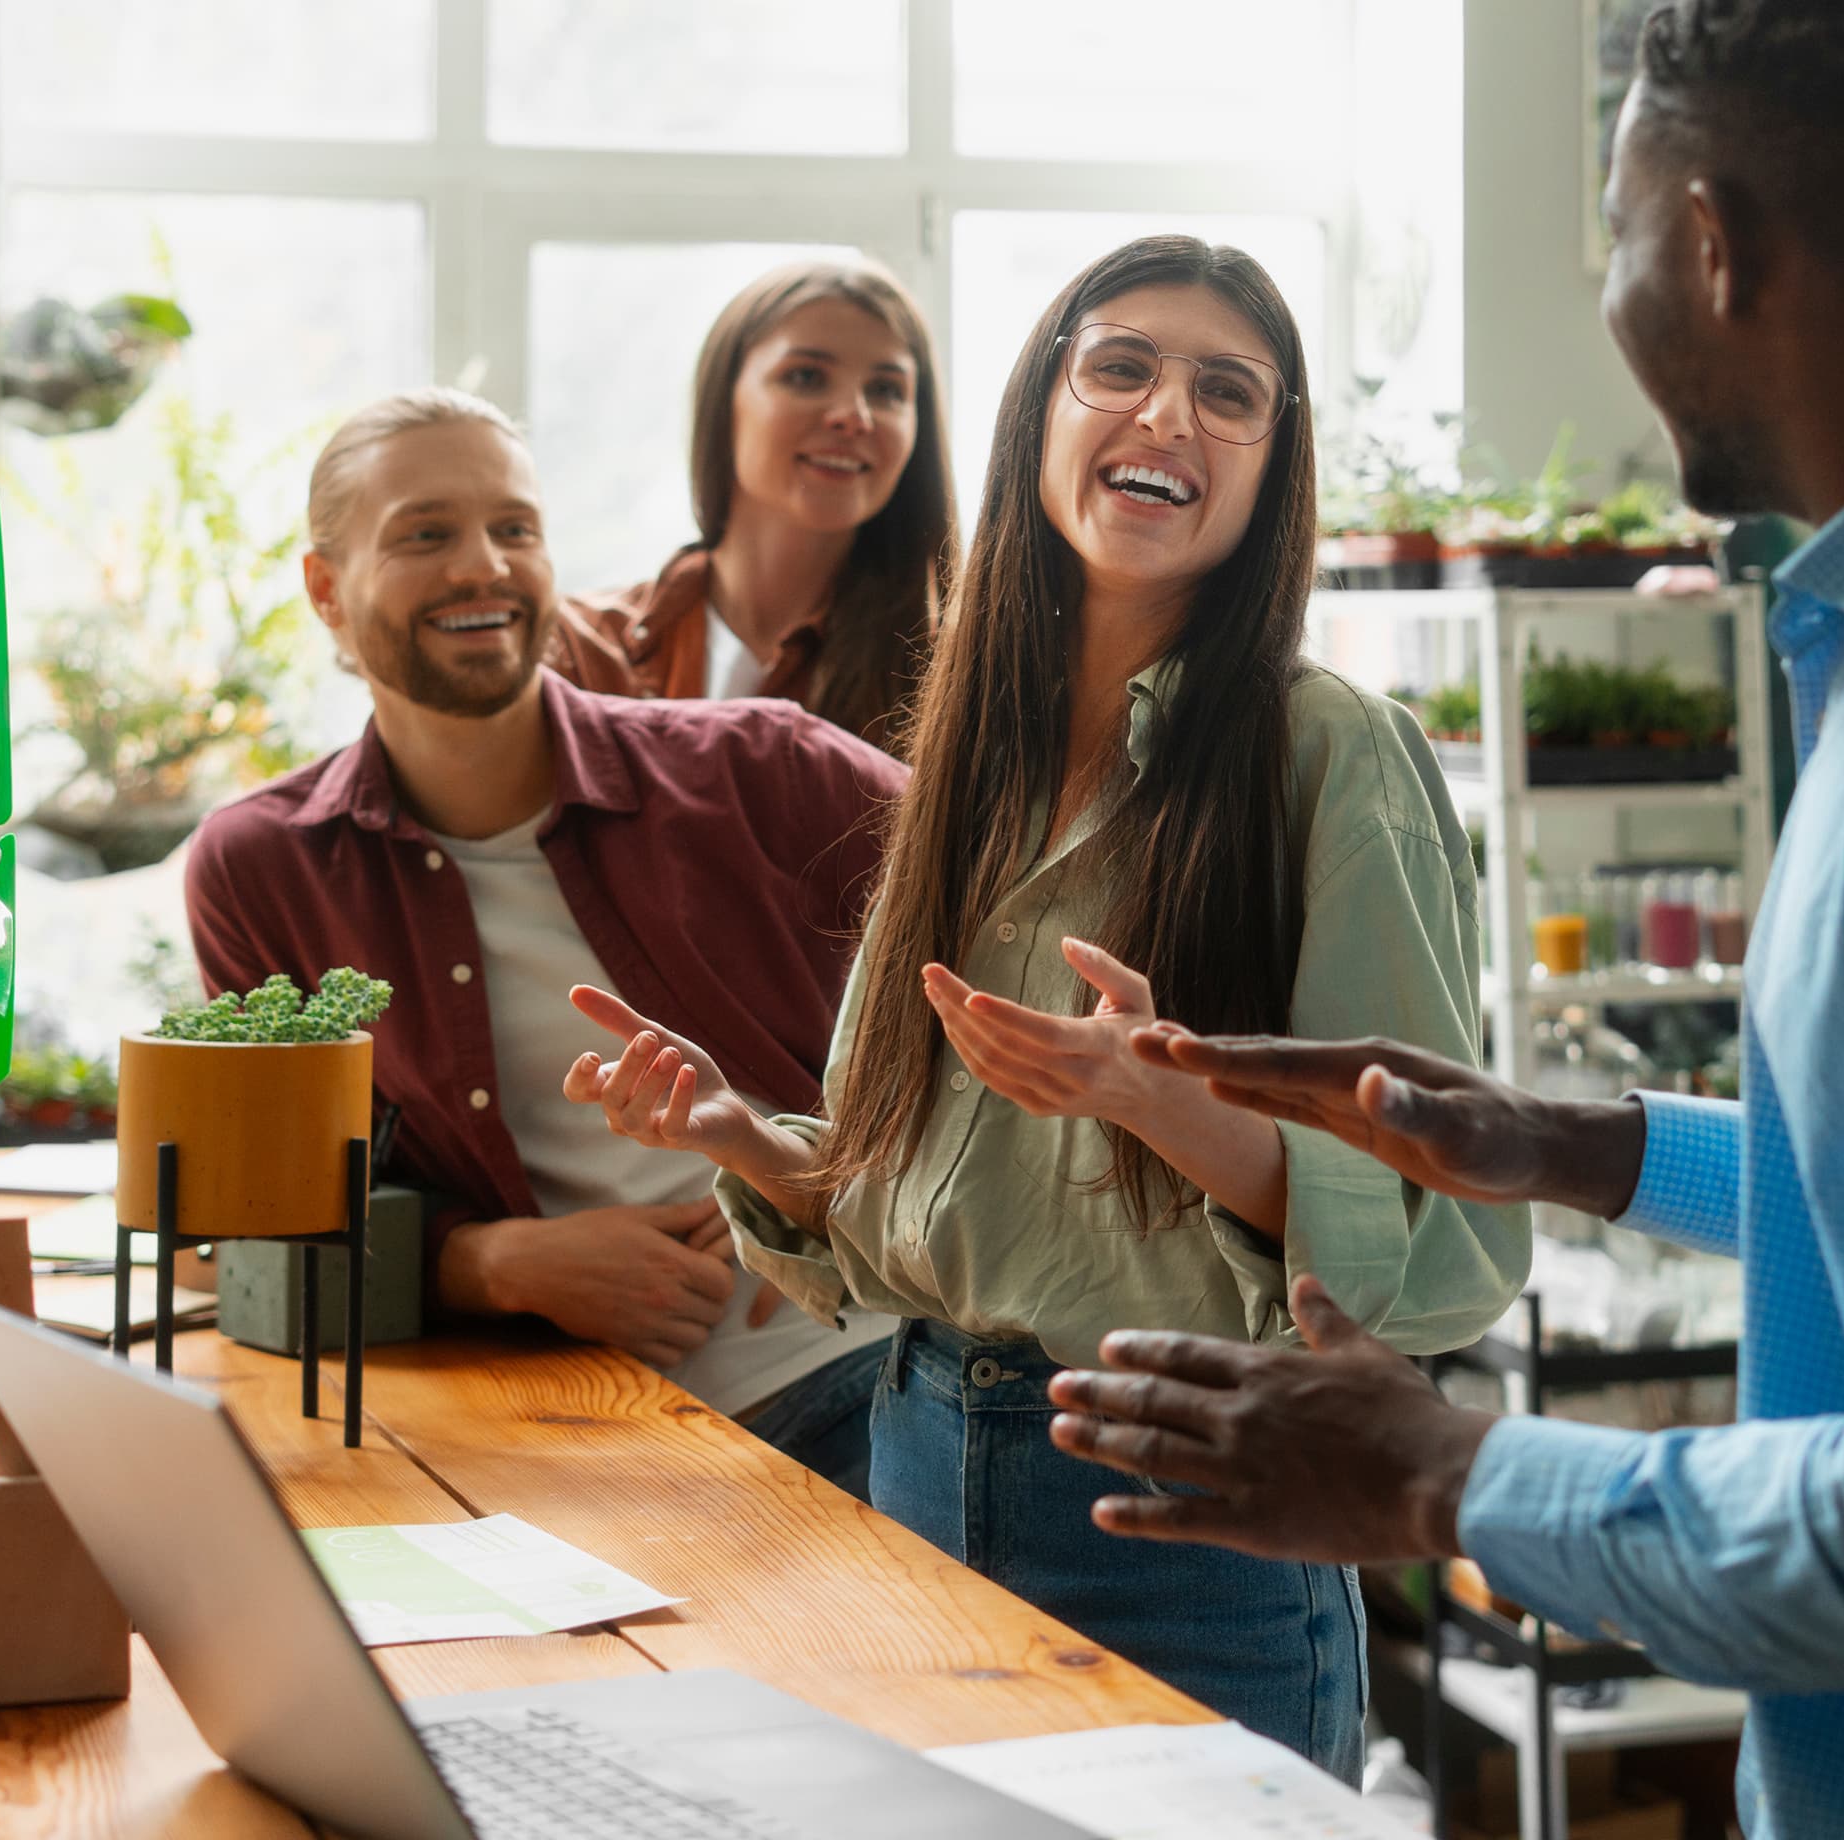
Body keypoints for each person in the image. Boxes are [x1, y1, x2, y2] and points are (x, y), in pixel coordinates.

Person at [1040, 7, 1844, 1836]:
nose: (1617, 302)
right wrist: (1574, 1144)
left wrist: (1448, 1478)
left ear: (1715, 242)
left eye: (1624, 230)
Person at [562, 236, 1527, 1780]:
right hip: (913, 1466)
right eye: (1122, 366)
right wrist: (743, 1136)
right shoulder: (969, 756)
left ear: (1271, 472)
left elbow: (1447, 1247)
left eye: (1230, 394)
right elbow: (924, 1211)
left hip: (1189, 1524)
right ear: (1039, 416)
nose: (1167, 416)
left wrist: (1165, 1100)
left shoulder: (1331, 757)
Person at [185, 389, 902, 1494]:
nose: (485, 566)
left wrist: (832, 1168)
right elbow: (250, 1230)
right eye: (427, 533)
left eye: (514, 528)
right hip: (561, 1420)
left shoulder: (768, 767)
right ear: (326, 589)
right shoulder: (263, 868)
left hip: (863, 1371)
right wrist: (493, 1265)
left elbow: (1029, 951)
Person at [551, 259, 956, 750]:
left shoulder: (959, 674)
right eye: (807, 376)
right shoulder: (578, 649)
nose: (855, 415)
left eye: (887, 389)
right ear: (725, 401)